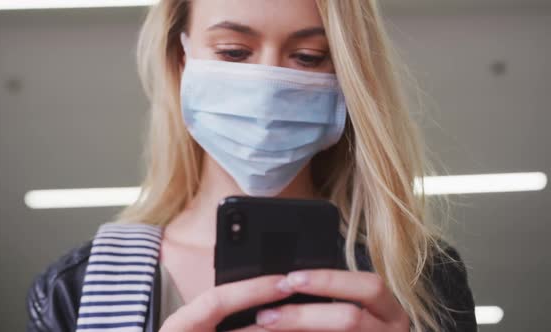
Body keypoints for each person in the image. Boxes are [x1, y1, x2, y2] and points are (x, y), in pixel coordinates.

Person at [27, 0, 477, 331]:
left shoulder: (417, 277)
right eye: (233, 52)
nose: (267, 87)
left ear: (346, 74)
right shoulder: (81, 290)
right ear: (180, 58)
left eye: (307, 57)